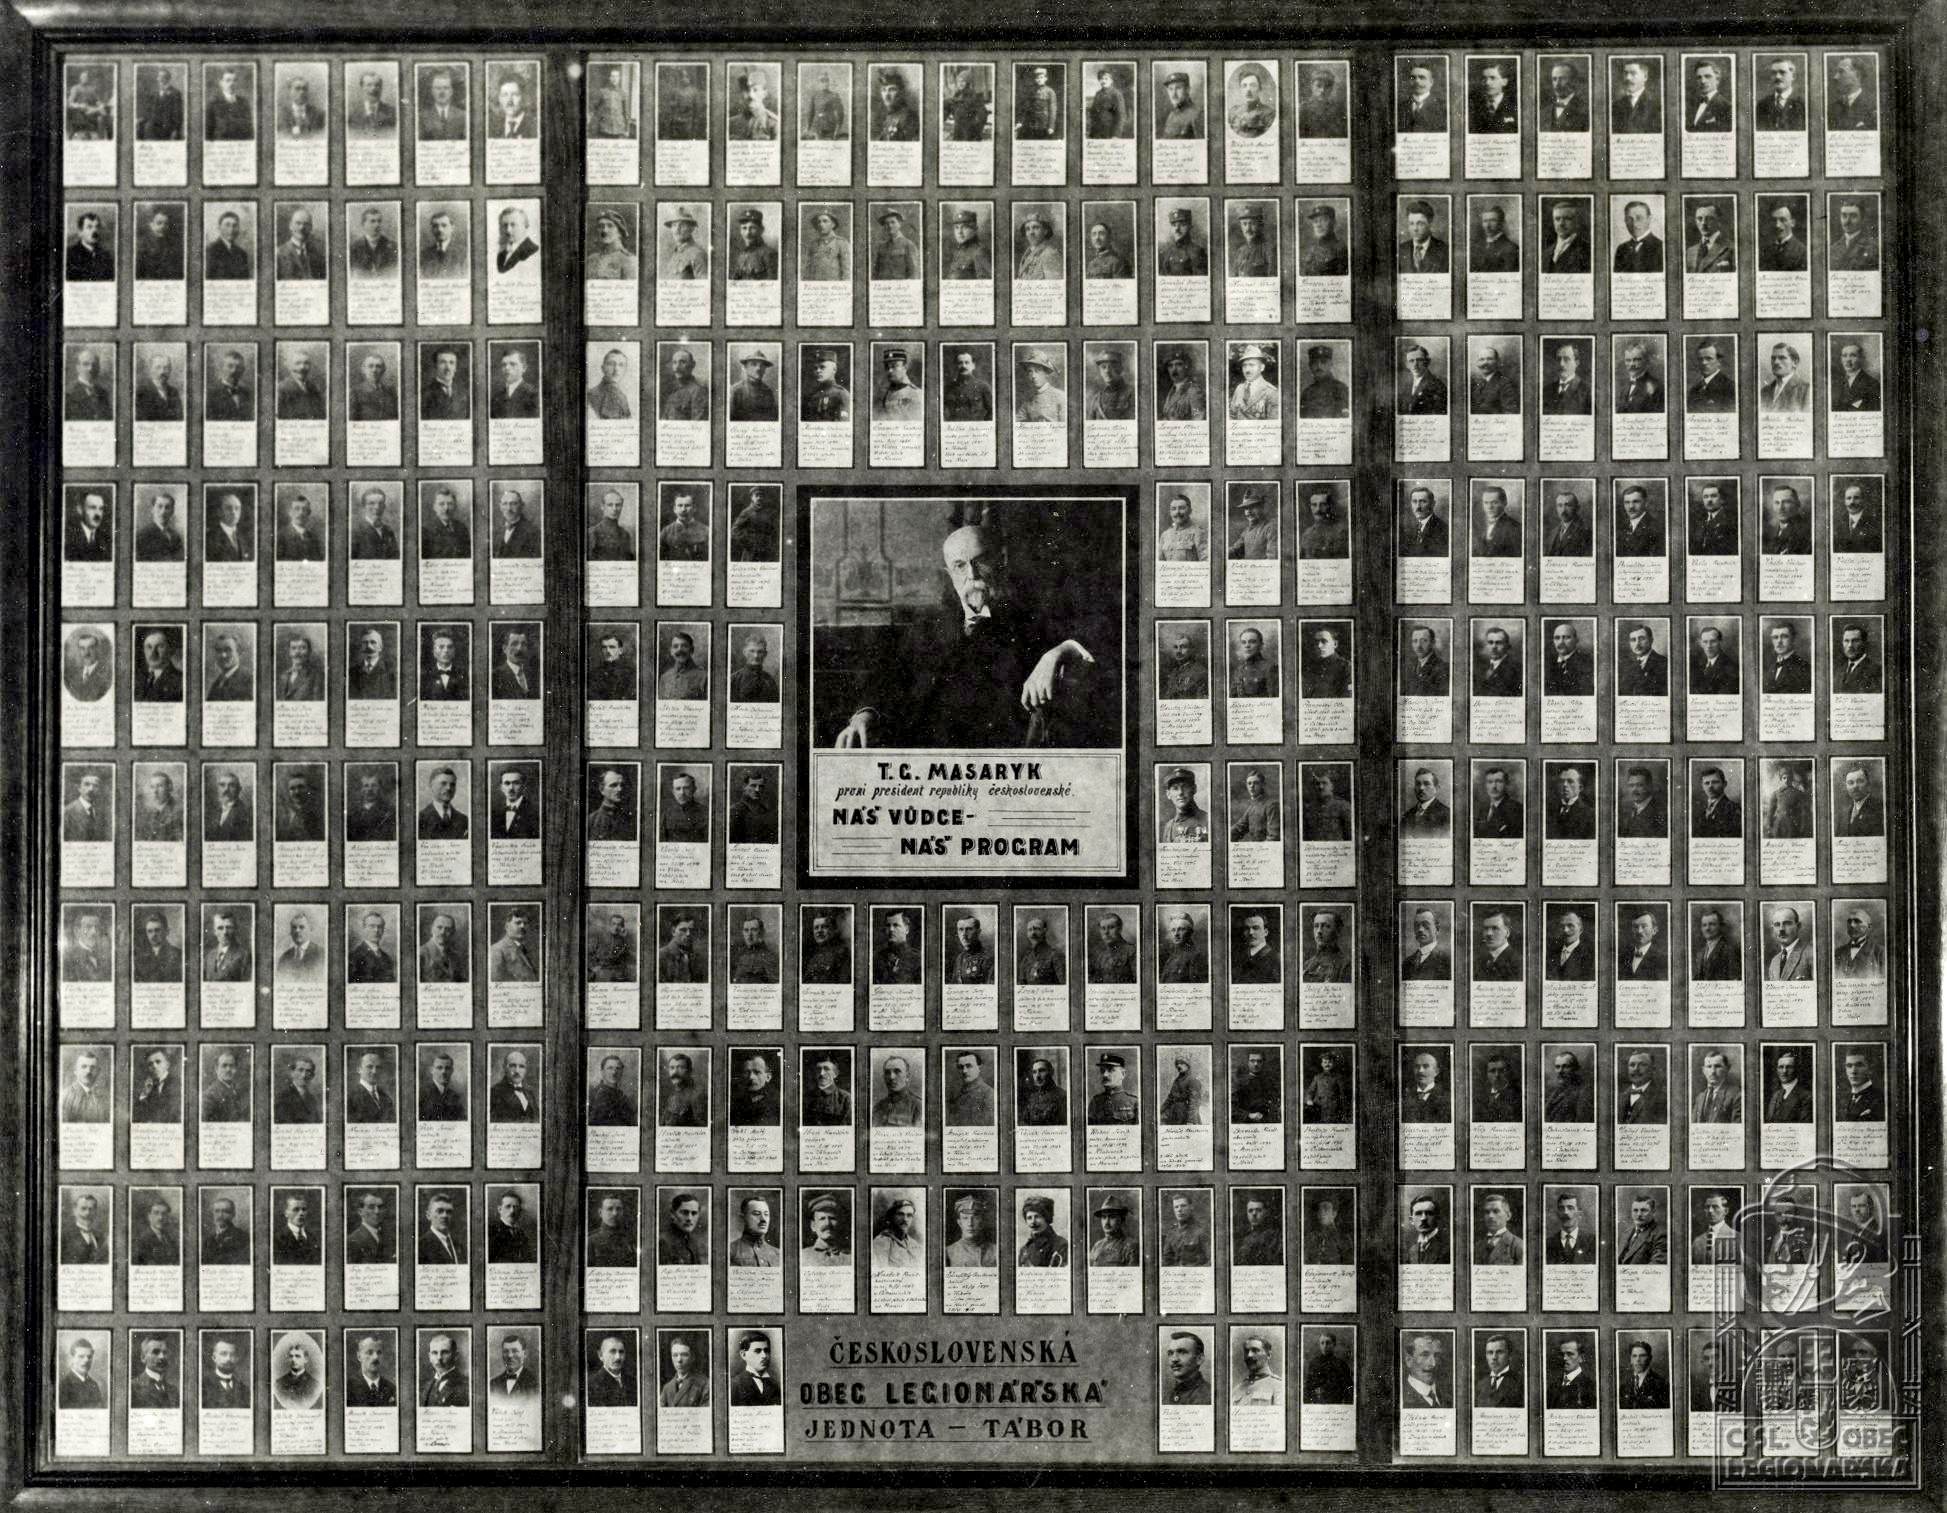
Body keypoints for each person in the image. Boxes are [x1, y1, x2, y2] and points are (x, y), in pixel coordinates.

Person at [729, 1333, 780, 1407]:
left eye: (766, 1350)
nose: (764, 1356)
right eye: (757, 1351)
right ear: (743, 1355)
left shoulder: (774, 1385)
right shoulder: (734, 1384)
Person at [1693, 1049, 1742, 1123]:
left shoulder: (1736, 1096)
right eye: (1709, 1067)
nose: (1713, 1071)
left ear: (1727, 1068)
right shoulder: (1700, 1097)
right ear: (1703, 1070)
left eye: (1717, 1066)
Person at [1401, 907, 1450, 982]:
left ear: (1437, 929)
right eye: (1417, 925)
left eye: (1425, 925)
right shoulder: (1407, 963)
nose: (1420, 929)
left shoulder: (1447, 960)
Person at [1548, 1338, 1598, 1410]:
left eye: (1570, 1354)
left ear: (1581, 1358)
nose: (1564, 1358)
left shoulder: (1590, 1387)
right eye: (1562, 1354)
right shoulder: (1553, 1386)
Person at [660, 1337, 709, 1409]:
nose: (679, 1360)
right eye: (675, 1355)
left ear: (692, 1357)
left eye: (684, 1355)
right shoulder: (667, 1388)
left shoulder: (704, 1384)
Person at [1834, 340, 1882, 413]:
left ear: (1861, 359)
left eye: (1853, 355)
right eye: (1844, 356)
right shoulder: (1836, 383)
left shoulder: (1872, 384)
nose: (1848, 360)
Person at [1402, 1052, 1450, 1122]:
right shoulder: (1404, 1095)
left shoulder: (1447, 1097)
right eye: (1417, 1067)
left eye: (1426, 1066)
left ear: (1436, 1072)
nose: (1420, 1070)